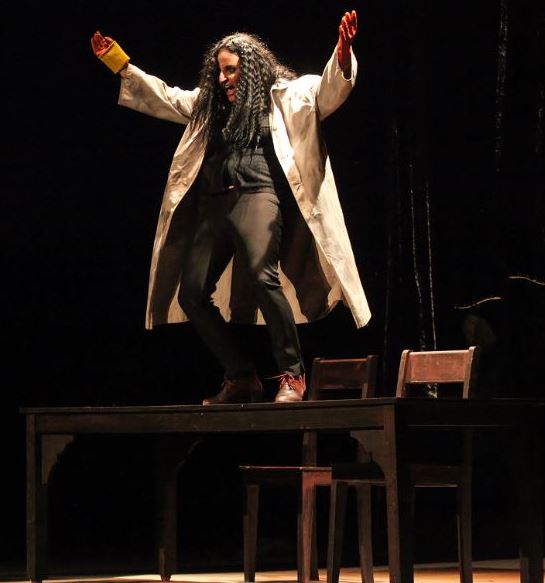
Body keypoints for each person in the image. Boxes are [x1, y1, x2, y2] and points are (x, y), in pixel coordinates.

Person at [90, 10, 371, 405]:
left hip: (257, 195)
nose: (223, 79)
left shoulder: (285, 96)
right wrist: (119, 63)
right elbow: (166, 96)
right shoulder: (210, 106)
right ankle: (240, 377)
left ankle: (292, 375)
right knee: (191, 292)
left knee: (261, 274)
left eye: (232, 70)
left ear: (252, 69)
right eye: (220, 72)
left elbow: (326, 92)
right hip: (215, 205)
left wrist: (341, 56)